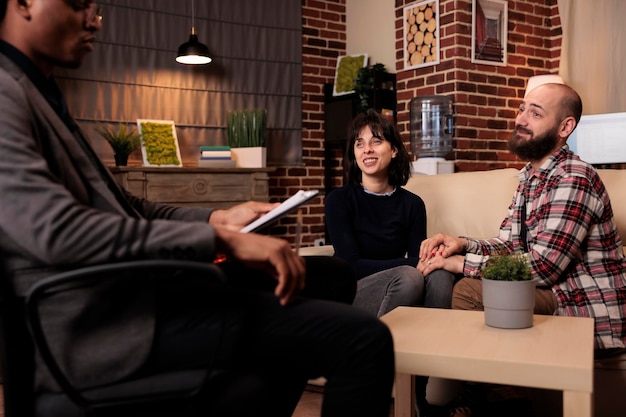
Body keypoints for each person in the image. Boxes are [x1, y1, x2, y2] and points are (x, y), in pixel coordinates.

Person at [0, 1, 395, 416]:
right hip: (103, 325)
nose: (96, 20)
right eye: (80, 4)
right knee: (363, 340)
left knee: (330, 277)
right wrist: (219, 240)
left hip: (137, 296)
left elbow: (128, 207)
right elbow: (57, 231)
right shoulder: (7, 92)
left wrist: (214, 217)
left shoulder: (44, 95)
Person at [418, 82, 626, 415]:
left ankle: (497, 400)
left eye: (535, 112)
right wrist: (462, 242)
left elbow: (544, 268)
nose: (521, 118)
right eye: (522, 109)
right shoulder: (531, 177)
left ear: (565, 127)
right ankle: (490, 398)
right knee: (465, 283)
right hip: (552, 291)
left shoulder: (574, 177)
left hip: (579, 303)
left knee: (469, 290)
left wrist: (460, 264)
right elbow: (509, 244)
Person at [325, 110, 458, 416]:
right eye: (359, 144)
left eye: (376, 141)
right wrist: (410, 265)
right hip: (352, 293)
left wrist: (427, 263)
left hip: (400, 293)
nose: (367, 149)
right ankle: (376, 377)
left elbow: (419, 259)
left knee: (438, 275)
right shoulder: (339, 200)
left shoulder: (412, 204)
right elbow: (351, 263)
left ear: (394, 150)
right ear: (354, 153)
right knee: (411, 276)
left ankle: (423, 395)